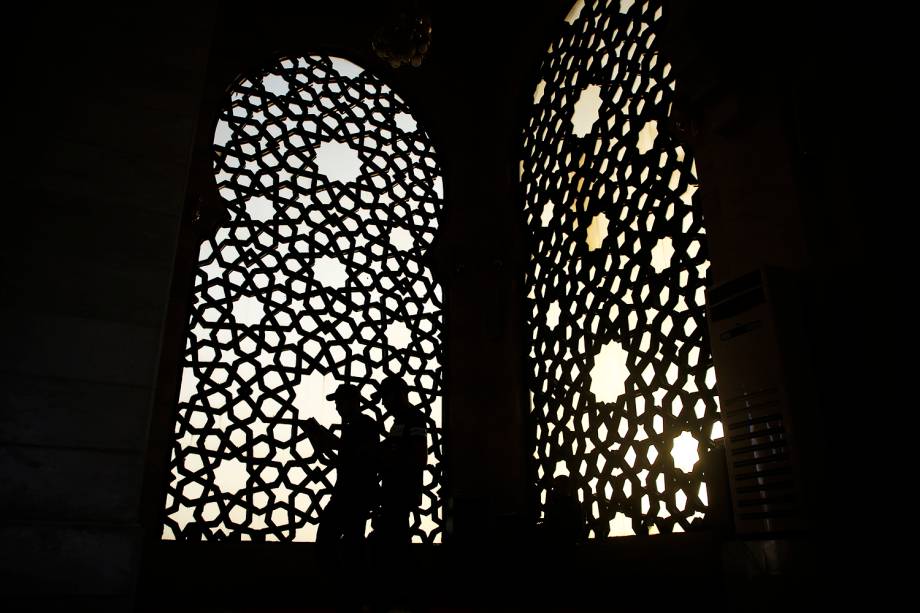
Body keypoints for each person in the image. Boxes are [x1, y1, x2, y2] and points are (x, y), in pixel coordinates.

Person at [305, 383, 380, 550]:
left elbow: (366, 459)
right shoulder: (350, 426)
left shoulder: (366, 425)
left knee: (341, 542)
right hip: (345, 493)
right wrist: (323, 443)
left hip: (355, 495)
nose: (337, 407)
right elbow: (346, 461)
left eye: (340, 402)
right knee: (344, 543)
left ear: (353, 402)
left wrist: (335, 443)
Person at [372, 375, 427, 545]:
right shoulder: (399, 422)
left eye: (386, 397)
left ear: (399, 394)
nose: (383, 403)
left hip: (402, 493)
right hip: (392, 493)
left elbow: (419, 457)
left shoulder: (415, 418)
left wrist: (391, 459)